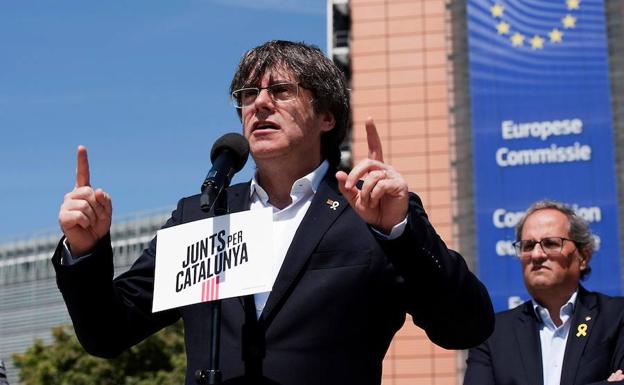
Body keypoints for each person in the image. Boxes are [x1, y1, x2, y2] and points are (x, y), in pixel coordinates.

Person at [53, 40, 494, 385]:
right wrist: (85, 250)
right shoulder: (204, 214)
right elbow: (107, 332)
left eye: (280, 91)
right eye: (248, 94)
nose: (259, 104)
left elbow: (466, 326)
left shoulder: (373, 214)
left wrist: (399, 232)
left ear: (326, 115)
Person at [464, 200, 624, 385]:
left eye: (551, 243)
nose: (537, 255)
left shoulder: (616, 317)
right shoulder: (492, 334)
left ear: (583, 257)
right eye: (528, 246)